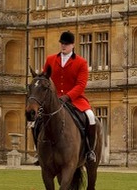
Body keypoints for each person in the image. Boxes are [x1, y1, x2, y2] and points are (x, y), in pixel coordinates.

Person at [41, 31, 98, 163]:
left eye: (66, 44)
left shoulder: (81, 62)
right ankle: (40, 151)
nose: (63, 46)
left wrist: (67, 97)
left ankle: (90, 151)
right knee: (37, 119)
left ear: (72, 45)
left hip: (75, 100)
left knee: (90, 117)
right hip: (54, 100)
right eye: (62, 43)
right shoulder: (50, 60)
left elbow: (81, 85)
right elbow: (45, 79)